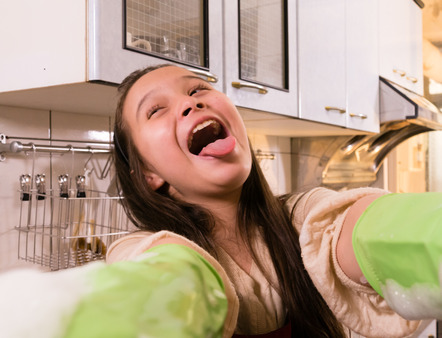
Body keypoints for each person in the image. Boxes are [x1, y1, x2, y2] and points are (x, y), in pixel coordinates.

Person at [109, 64, 428, 337]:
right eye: (156, 110)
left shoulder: (303, 218)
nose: (189, 104)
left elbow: (363, 228)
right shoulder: (142, 251)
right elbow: (158, 276)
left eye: (197, 90)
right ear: (148, 173)